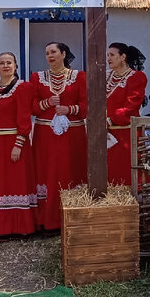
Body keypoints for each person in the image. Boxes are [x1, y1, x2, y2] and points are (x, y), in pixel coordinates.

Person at [31, 42, 87, 232]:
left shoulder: (79, 76)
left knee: (70, 170)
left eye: (53, 52)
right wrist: (47, 102)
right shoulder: (37, 77)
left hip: (72, 136)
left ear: (64, 54)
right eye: (46, 53)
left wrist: (69, 109)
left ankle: (73, 218)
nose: (49, 56)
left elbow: (86, 107)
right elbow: (31, 106)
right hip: (45, 135)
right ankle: (47, 220)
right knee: (47, 173)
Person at [0, 52, 37, 237]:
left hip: (13, 141)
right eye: (2, 63)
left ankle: (19, 226)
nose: (5, 66)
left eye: (9, 62)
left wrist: (19, 143)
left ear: (16, 65)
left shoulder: (23, 87)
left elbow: (24, 117)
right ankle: (0, 225)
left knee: (15, 182)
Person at [106, 42, 148, 186]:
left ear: (123, 57)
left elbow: (131, 106)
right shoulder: (106, 77)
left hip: (126, 134)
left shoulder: (136, 77)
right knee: (108, 172)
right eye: (108, 55)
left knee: (125, 172)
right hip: (106, 134)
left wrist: (110, 119)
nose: (108, 58)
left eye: (112, 55)